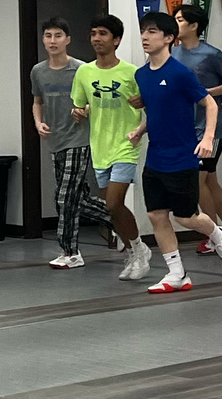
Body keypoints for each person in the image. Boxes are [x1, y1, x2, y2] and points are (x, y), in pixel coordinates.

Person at [125, 11, 222, 288]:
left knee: (186, 217)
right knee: (156, 214)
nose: (145, 37)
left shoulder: (179, 73)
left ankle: (219, 234)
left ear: (168, 38)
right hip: (156, 156)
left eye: (152, 32)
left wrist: (208, 138)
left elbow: (210, 103)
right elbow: (159, 111)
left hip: (183, 154)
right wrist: (140, 131)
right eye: (143, 31)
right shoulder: (142, 75)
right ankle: (177, 273)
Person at [70, 15, 147, 280]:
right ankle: (135, 249)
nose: (96, 39)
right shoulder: (84, 72)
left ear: (116, 40)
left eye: (102, 33)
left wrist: (140, 127)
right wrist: (78, 113)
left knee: (115, 202)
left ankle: (138, 249)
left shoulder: (131, 72)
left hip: (125, 145)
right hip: (99, 147)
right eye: (93, 33)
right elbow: (80, 105)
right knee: (110, 207)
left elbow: (150, 106)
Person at [31, 16, 102, 269]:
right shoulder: (38, 71)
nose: (52, 41)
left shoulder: (82, 69)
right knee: (76, 199)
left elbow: (96, 102)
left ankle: (70, 252)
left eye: (58, 36)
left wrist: (83, 110)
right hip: (55, 141)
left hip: (79, 139)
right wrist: (39, 123)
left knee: (64, 198)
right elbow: (37, 102)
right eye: (48, 36)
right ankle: (119, 217)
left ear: (68, 40)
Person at [173, 0, 222, 239]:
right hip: (184, 127)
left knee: (197, 181)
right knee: (210, 181)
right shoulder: (173, 53)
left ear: (194, 25)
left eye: (180, 20)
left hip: (210, 127)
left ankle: (215, 234)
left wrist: (205, 93)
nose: (175, 24)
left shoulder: (211, 54)